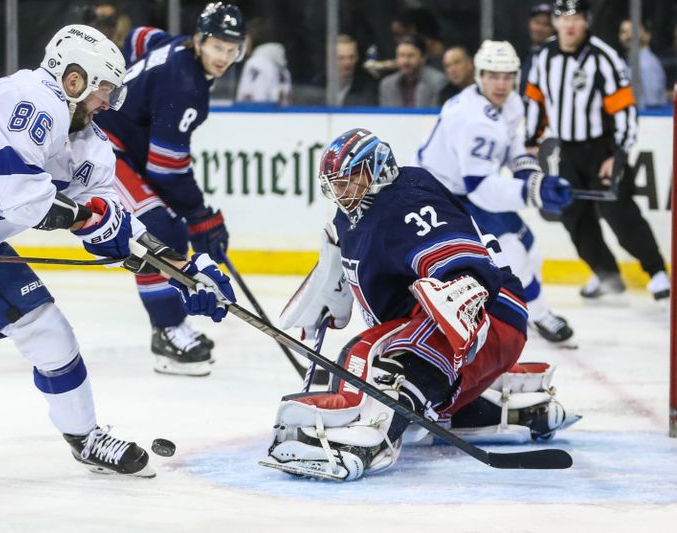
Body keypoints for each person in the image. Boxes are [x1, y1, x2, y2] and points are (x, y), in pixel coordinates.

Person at [0, 24, 234, 506]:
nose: (108, 101)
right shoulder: (27, 98)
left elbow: (118, 230)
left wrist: (184, 272)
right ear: (73, 79)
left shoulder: (90, 146)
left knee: (49, 332)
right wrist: (94, 221)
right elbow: (25, 200)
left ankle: (85, 438)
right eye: (104, 88)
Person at [260, 129, 577, 481]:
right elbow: (346, 256)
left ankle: (369, 441)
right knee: (412, 407)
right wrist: (328, 295)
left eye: (350, 181)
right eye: (336, 184)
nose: (341, 191)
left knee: (371, 355)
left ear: (376, 171)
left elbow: (462, 263)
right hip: (457, 330)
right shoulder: (351, 215)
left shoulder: (406, 200)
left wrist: (462, 289)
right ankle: (520, 407)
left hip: (489, 313)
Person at [95, 3, 246, 376]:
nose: (223, 57)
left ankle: (172, 324)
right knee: (158, 231)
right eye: (217, 47)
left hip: (122, 149)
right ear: (199, 40)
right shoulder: (186, 85)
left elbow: (138, 37)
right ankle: (166, 331)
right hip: (101, 147)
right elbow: (166, 168)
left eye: (232, 49)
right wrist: (200, 215)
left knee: (170, 230)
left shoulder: (173, 45)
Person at [416, 40, 574, 344]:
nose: (501, 84)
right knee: (511, 251)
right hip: (440, 194)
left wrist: (529, 173)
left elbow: (512, 144)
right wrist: (536, 191)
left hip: (464, 188)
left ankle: (529, 310)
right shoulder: (473, 121)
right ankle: (536, 315)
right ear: (479, 75)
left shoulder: (510, 102)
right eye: (492, 75)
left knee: (529, 246)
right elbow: (482, 189)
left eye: (507, 76)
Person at [525, 0, 670, 301]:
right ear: (555, 22)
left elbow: (625, 111)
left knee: (620, 213)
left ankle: (656, 271)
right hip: (567, 150)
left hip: (602, 149)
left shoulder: (604, 57)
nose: (570, 25)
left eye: (576, 18)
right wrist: (531, 140)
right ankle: (607, 274)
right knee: (573, 216)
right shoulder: (545, 57)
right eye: (564, 18)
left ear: (586, 21)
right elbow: (535, 101)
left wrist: (617, 155)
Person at [308, 34, 379, 107]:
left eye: (351, 57)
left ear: (357, 58)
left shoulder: (367, 88)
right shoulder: (317, 86)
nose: (347, 63)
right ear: (330, 59)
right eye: (341, 58)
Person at [378, 34, 446, 108]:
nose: (405, 61)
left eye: (410, 56)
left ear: (423, 57)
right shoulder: (387, 85)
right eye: (401, 55)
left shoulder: (438, 82)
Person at [235, 18, 291, 105]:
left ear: (253, 38)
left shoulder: (256, 63)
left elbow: (256, 100)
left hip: (256, 117)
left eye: (245, 37)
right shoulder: (281, 64)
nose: (242, 42)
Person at [619, 19, 668, 108]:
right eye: (623, 32)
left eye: (633, 31)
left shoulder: (646, 64)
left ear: (646, 35)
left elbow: (652, 105)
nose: (628, 35)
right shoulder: (632, 62)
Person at [519, 3, 555, 97]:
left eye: (546, 24)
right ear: (530, 23)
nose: (540, 28)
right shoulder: (521, 51)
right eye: (537, 22)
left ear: (554, 28)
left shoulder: (556, 56)